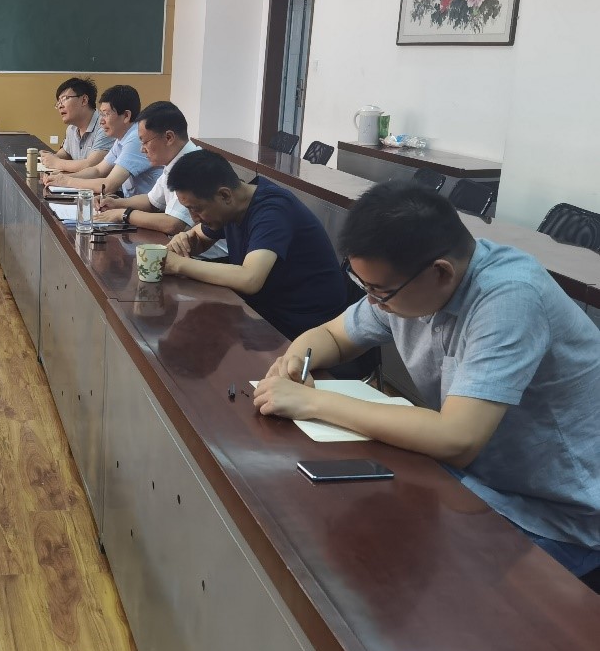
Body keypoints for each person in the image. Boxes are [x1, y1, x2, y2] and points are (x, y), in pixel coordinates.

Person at [253, 180, 600, 581]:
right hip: (482, 481)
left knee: (419, 579)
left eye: (380, 292)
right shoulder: (408, 283)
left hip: (560, 514)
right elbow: (332, 335)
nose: (373, 302)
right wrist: (296, 360)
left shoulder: (510, 298)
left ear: (440, 272)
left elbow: (457, 439)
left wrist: (313, 402)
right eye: (366, 288)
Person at [163, 149, 346, 339]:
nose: (194, 218)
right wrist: (185, 241)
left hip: (305, 327)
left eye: (196, 209)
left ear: (224, 195)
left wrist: (178, 264)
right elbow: (199, 238)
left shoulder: (272, 211)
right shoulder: (235, 204)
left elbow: (250, 279)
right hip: (266, 310)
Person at [93, 101, 225, 258]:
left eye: (145, 142)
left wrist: (123, 214)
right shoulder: (175, 162)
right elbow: (151, 201)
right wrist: (116, 203)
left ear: (169, 137)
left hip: (210, 260)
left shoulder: (195, 166)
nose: (142, 149)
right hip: (183, 252)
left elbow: (173, 224)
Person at [44, 84, 162, 198]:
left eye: (106, 114)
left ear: (126, 115)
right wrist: (63, 177)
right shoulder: (122, 138)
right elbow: (98, 170)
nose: (101, 121)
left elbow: (109, 185)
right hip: (132, 203)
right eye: (101, 115)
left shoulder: (136, 138)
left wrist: (67, 181)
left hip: (151, 208)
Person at [38, 76, 111, 174]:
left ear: (84, 100)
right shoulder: (71, 129)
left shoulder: (105, 126)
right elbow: (66, 153)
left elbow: (92, 166)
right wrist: (50, 157)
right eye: (58, 102)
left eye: (65, 99)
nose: (60, 106)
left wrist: (56, 162)